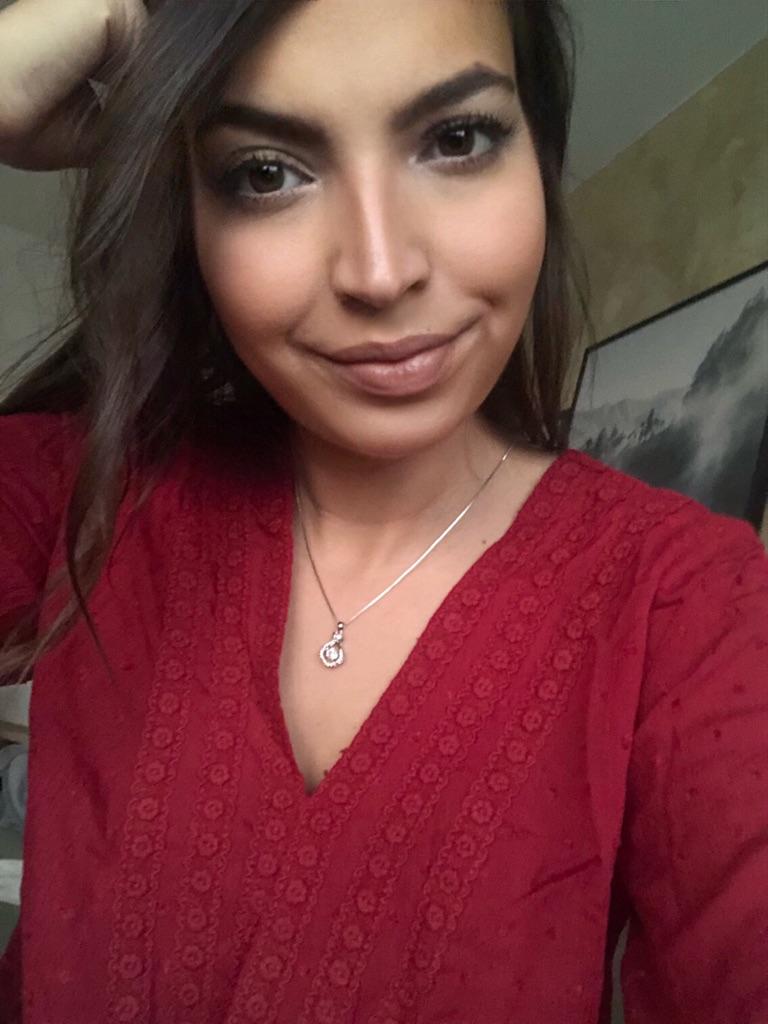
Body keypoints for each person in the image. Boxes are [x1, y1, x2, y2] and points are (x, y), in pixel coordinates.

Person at [0, 1, 766, 1021]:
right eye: (265, 172)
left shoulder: (691, 603)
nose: (379, 271)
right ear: (191, 215)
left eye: (457, 139)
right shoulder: (91, 488)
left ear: (540, 159)